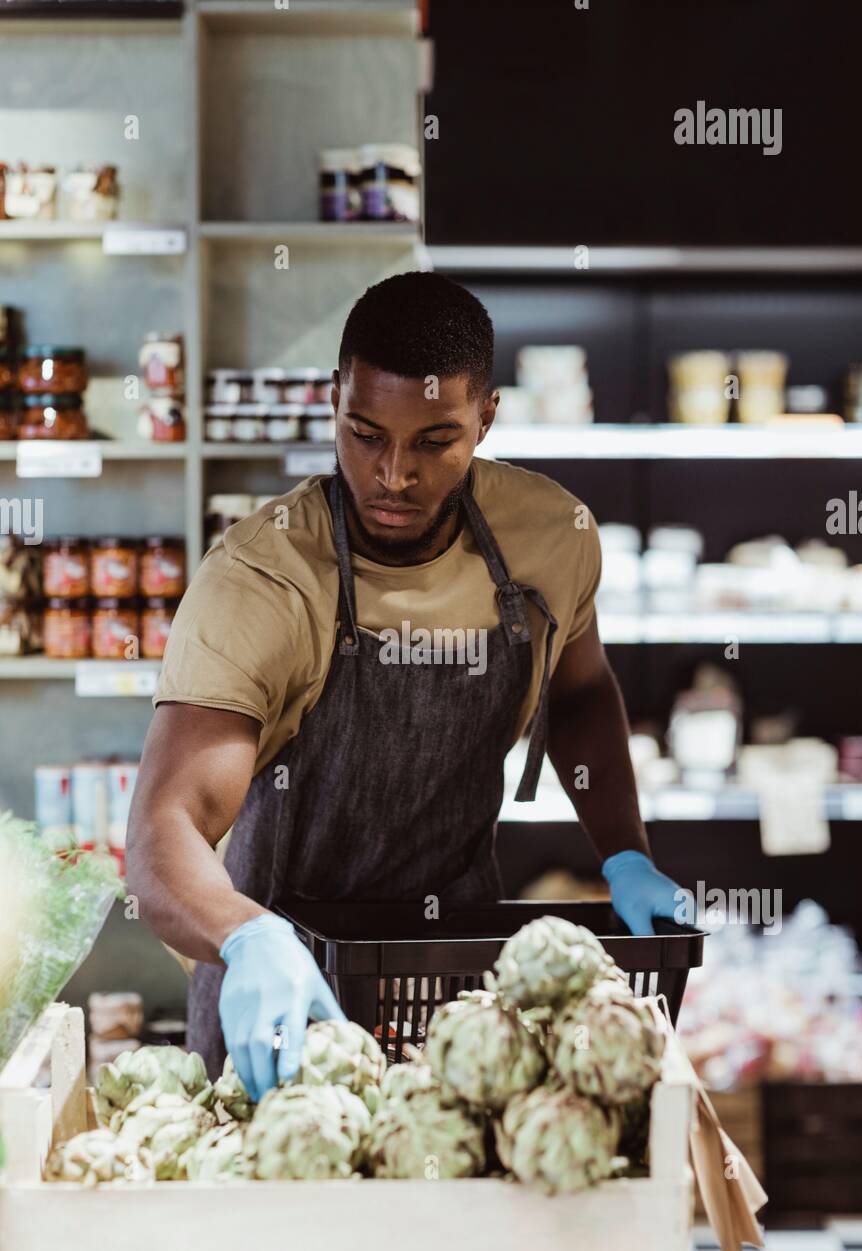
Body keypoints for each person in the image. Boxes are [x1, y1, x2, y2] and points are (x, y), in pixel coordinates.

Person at [126, 271, 682, 1099]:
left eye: (435, 441)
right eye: (365, 433)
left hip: (456, 972)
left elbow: (580, 692)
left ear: (486, 418)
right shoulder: (262, 576)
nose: (393, 474)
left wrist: (626, 851)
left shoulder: (548, 537)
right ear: (334, 401)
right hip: (286, 976)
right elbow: (165, 823)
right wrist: (245, 937)